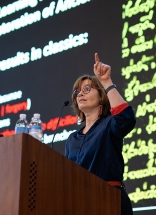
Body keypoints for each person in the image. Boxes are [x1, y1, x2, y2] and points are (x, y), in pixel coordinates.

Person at [65, 53, 136, 215]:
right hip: (80, 205)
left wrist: (106, 82)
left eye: (87, 89)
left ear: (101, 96)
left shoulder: (109, 124)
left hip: (109, 200)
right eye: (77, 92)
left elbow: (126, 120)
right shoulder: (72, 139)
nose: (80, 94)